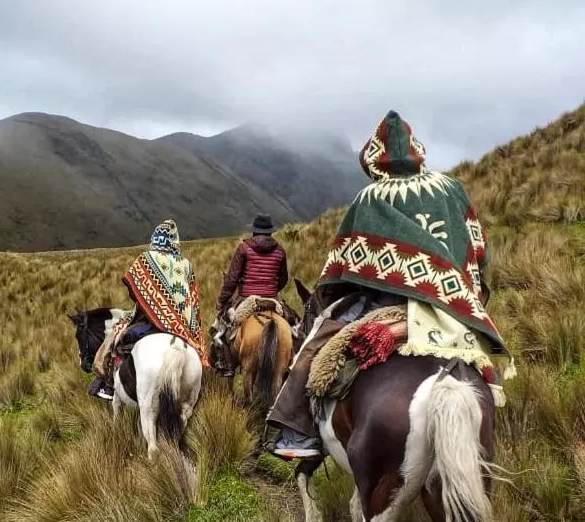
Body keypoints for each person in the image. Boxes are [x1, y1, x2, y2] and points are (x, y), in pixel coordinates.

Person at [267, 109, 505, 459]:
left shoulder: (371, 198)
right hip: (450, 304)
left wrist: (333, 294)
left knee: (315, 344)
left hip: (385, 304)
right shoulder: (451, 189)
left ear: (374, 161)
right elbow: (477, 247)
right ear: (416, 151)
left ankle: (297, 433)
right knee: (480, 356)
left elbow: (343, 264)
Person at [88, 219, 207, 399]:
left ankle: (109, 385)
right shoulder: (187, 265)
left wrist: (153, 306)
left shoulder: (146, 259)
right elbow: (193, 301)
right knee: (197, 352)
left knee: (119, 337)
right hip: (184, 327)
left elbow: (135, 291)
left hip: (151, 323)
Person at [211, 214, 291, 377]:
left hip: (246, 299)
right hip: (271, 299)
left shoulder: (243, 248)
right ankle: (291, 362)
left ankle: (226, 364)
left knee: (222, 328)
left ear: (254, 232)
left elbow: (232, 279)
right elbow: (283, 279)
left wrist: (222, 301)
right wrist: (273, 289)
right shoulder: (280, 251)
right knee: (293, 325)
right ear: (270, 232)